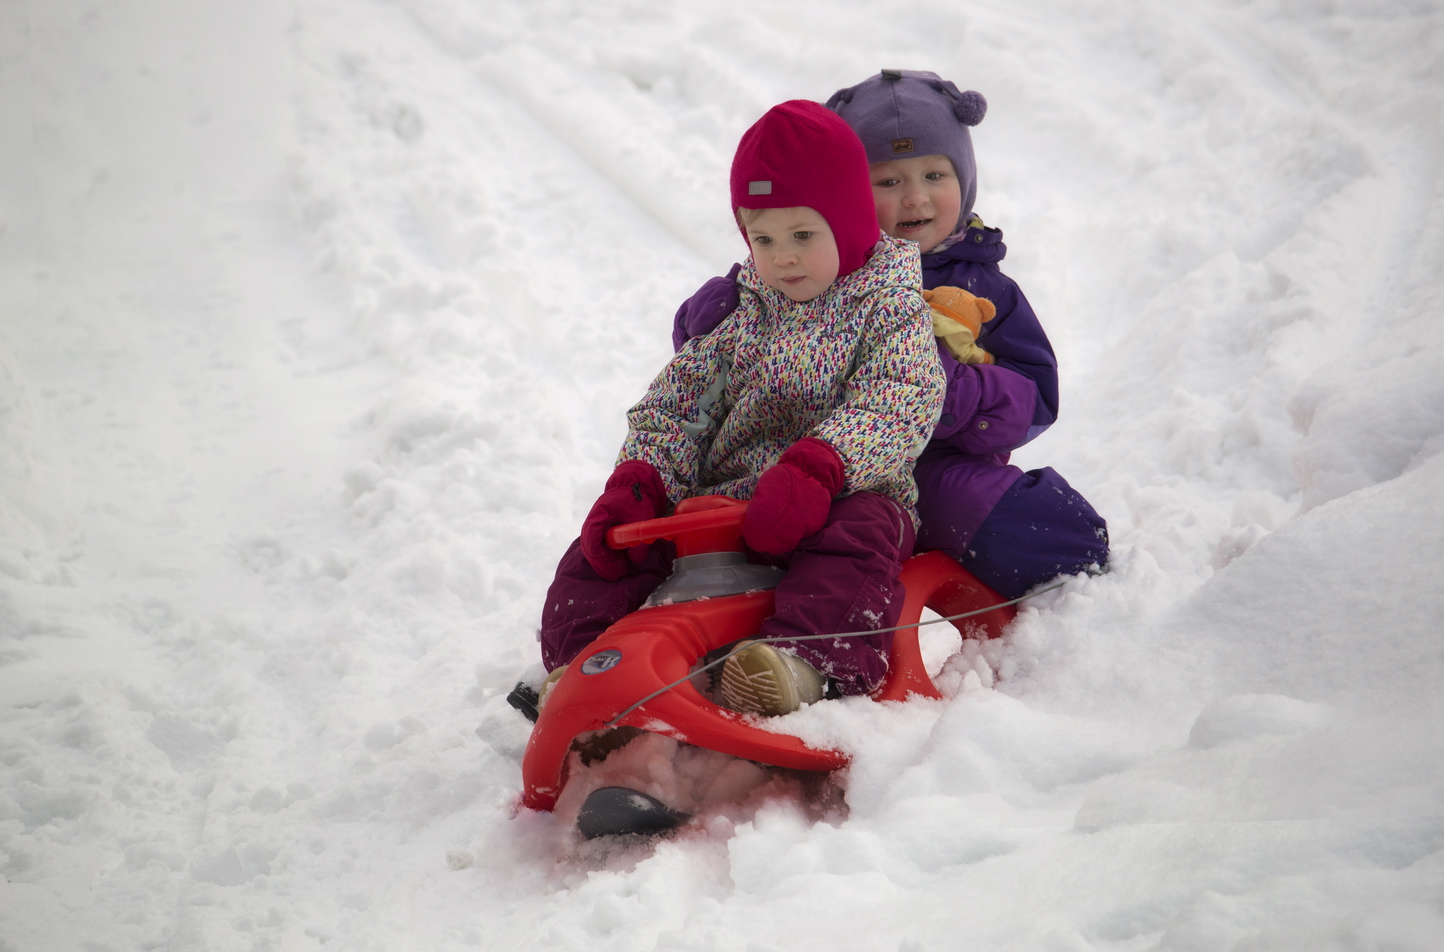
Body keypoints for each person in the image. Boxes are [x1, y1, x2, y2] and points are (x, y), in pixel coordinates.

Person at [539, 100, 946, 716]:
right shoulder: (740, 314)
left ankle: (807, 664)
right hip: (731, 507)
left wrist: (818, 468)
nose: (783, 256)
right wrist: (642, 479)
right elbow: (677, 406)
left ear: (852, 223)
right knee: (606, 547)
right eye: (764, 238)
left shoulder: (888, 305)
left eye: (804, 235)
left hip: (839, 492)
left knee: (859, 539)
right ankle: (584, 670)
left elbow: (900, 399)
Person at [674, 70, 1108, 601]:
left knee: (1020, 522)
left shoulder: (986, 286)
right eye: (888, 181)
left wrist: (957, 390)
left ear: (965, 180)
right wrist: (697, 324)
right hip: (817, 459)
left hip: (936, 467)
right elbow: (727, 357)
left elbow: (1035, 397)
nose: (914, 198)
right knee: (724, 511)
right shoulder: (808, 266)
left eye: (935, 175)